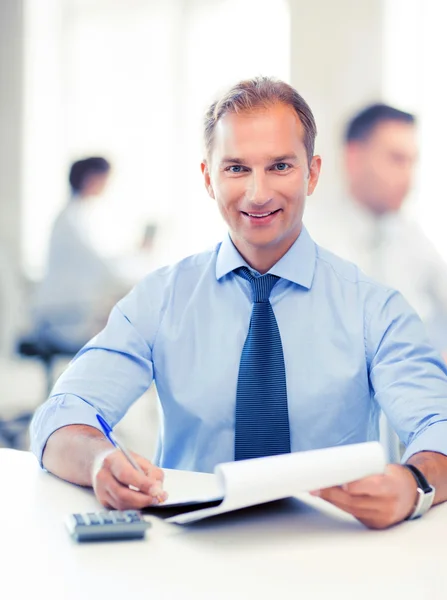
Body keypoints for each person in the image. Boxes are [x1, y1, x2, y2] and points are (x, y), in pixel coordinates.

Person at [30, 77, 447, 530]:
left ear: (313, 172)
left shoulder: (376, 308)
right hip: (193, 553)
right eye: (236, 169)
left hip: (334, 553)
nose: (258, 193)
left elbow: (437, 425)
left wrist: (415, 483)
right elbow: (62, 414)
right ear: (209, 178)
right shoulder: (160, 300)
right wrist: (96, 460)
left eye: (280, 166)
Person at [306, 104, 447, 354]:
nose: (408, 177)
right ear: (354, 158)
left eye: (412, 162)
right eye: (396, 159)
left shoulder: (412, 236)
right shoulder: (312, 239)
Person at [31, 157, 150, 353]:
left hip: (72, 311)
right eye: (104, 179)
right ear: (90, 179)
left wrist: (134, 256)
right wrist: (138, 260)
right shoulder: (71, 220)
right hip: (65, 318)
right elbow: (102, 267)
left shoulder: (78, 215)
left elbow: (101, 262)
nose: (107, 185)